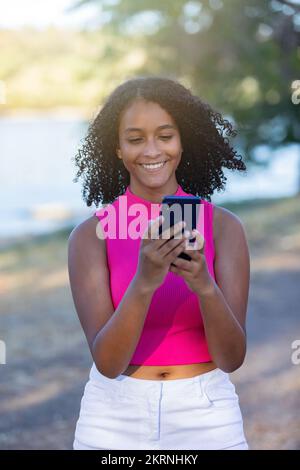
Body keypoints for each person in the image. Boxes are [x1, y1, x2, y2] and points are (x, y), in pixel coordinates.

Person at [68, 76, 250, 450]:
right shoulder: (90, 236)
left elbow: (231, 358)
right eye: (135, 139)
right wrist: (144, 282)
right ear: (117, 148)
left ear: (183, 140)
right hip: (113, 416)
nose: (151, 150)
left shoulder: (224, 228)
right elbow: (108, 362)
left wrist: (204, 287)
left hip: (207, 415)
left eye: (165, 136)